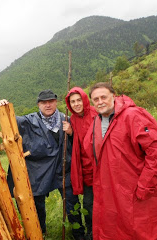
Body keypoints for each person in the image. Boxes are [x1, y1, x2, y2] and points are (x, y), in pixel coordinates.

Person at [83, 82, 157, 240]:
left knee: (140, 230)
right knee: (116, 229)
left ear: (114, 96)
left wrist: (145, 185)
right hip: (111, 189)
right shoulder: (97, 121)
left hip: (135, 189)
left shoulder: (133, 115)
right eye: (95, 99)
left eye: (103, 97)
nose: (100, 102)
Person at [0, 89, 85, 239]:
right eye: (44, 102)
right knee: (37, 205)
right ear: (38, 104)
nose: (48, 105)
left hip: (63, 169)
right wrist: (2, 106)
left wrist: (71, 133)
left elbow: (79, 141)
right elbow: (10, 121)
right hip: (39, 171)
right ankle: (40, 232)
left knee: (72, 203)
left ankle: (79, 234)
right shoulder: (29, 121)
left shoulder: (67, 120)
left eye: (51, 101)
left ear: (56, 102)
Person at [63, 87, 98, 240]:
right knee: (89, 204)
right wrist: (71, 133)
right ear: (69, 104)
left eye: (79, 100)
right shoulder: (73, 119)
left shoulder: (96, 115)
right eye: (73, 102)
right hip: (85, 168)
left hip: (100, 167)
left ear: (84, 99)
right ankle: (92, 232)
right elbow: (77, 142)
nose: (76, 104)